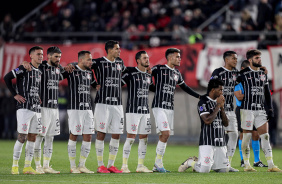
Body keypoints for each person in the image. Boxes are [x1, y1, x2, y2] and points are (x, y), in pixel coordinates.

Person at [151, 48, 201, 172]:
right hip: (159, 106)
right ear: (170, 57)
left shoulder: (177, 73)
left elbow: (185, 87)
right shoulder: (158, 69)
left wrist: (200, 96)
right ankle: (158, 164)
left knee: (165, 136)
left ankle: (157, 165)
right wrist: (155, 89)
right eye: (177, 57)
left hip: (170, 108)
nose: (180, 59)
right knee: (166, 133)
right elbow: (145, 78)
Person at [238, 49, 281, 172]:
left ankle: (271, 164)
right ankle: (246, 164)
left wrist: (270, 108)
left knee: (265, 136)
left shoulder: (263, 74)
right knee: (246, 137)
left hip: (260, 109)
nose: (259, 60)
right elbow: (232, 81)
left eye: (260, 58)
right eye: (257, 58)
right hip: (247, 110)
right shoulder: (243, 74)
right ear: (250, 60)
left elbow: (267, 93)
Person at [4, 46, 43, 174]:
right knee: (22, 137)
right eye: (38, 54)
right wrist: (14, 94)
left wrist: (38, 97)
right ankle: (14, 166)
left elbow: (34, 87)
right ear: (31, 56)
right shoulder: (23, 68)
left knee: (33, 137)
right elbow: (7, 77)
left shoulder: (39, 71)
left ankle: (27, 166)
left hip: (36, 109)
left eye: (42, 54)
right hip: (24, 108)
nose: (41, 56)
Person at [178, 78, 229, 173]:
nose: (222, 92)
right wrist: (218, 106)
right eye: (220, 89)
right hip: (207, 140)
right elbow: (207, 120)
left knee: (223, 170)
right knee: (204, 170)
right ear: (213, 90)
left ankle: (207, 162)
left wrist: (222, 108)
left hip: (221, 141)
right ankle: (191, 162)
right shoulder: (203, 102)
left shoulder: (220, 101)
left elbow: (226, 123)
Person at [92, 40, 126, 173]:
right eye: (117, 49)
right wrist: (94, 83)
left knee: (117, 133)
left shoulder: (120, 62)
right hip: (103, 103)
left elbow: (123, 76)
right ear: (110, 50)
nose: (119, 51)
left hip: (117, 103)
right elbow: (83, 66)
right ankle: (100, 165)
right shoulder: (98, 62)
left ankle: (111, 165)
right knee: (101, 132)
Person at [62, 51, 97, 174]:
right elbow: (57, 75)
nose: (91, 62)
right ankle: (73, 166)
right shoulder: (71, 70)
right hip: (75, 108)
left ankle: (82, 165)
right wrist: (65, 67)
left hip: (88, 108)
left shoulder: (89, 72)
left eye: (91, 59)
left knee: (88, 136)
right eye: (89, 59)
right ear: (81, 60)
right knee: (74, 134)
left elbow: (94, 85)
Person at [120, 51, 155, 173]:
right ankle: (124, 166)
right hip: (132, 110)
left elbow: (153, 88)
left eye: (148, 57)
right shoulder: (130, 74)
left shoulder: (148, 76)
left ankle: (140, 165)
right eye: (145, 58)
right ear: (138, 60)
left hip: (145, 110)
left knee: (144, 138)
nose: (147, 59)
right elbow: (118, 84)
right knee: (131, 137)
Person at [234, 60, 267, 168]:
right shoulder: (238, 81)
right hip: (242, 109)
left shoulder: (255, 81)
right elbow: (239, 96)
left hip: (254, 109)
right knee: (243, 135)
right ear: (244, 69)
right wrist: (253, 94)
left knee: (256, 135)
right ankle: (243, 160)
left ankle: (257, 161)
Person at [210, 51, 239, 172]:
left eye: (236, 59)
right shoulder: (218, 72)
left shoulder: (236, 73)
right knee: (218, 137)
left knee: (234, 135)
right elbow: (210, 88)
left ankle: (227, 163)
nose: (236, 60)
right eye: (233, 58)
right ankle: (211, 162)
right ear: (226, 60)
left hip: (230, 110)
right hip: (218, 109)